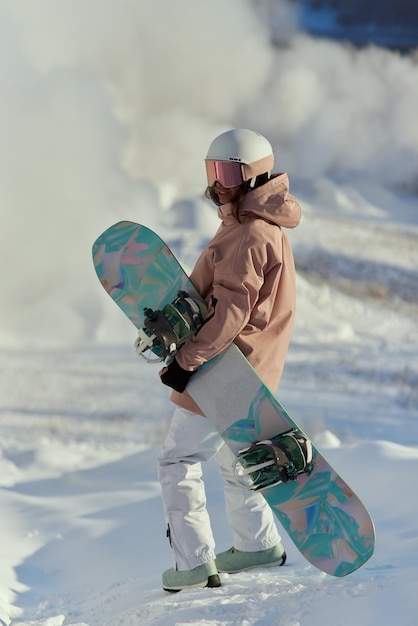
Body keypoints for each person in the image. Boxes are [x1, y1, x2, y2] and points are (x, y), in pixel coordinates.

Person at [158, 128, 301, 591]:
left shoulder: (247, 233)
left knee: (177, 459)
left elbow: (231, 313)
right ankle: (257, 544)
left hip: (224, 368)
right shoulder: (261, 225)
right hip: (253, 371)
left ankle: (192, 562)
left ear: (254, 176)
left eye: (228, 173)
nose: (218, 183)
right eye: (212, 171)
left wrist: (188, 361)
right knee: (235, 457)